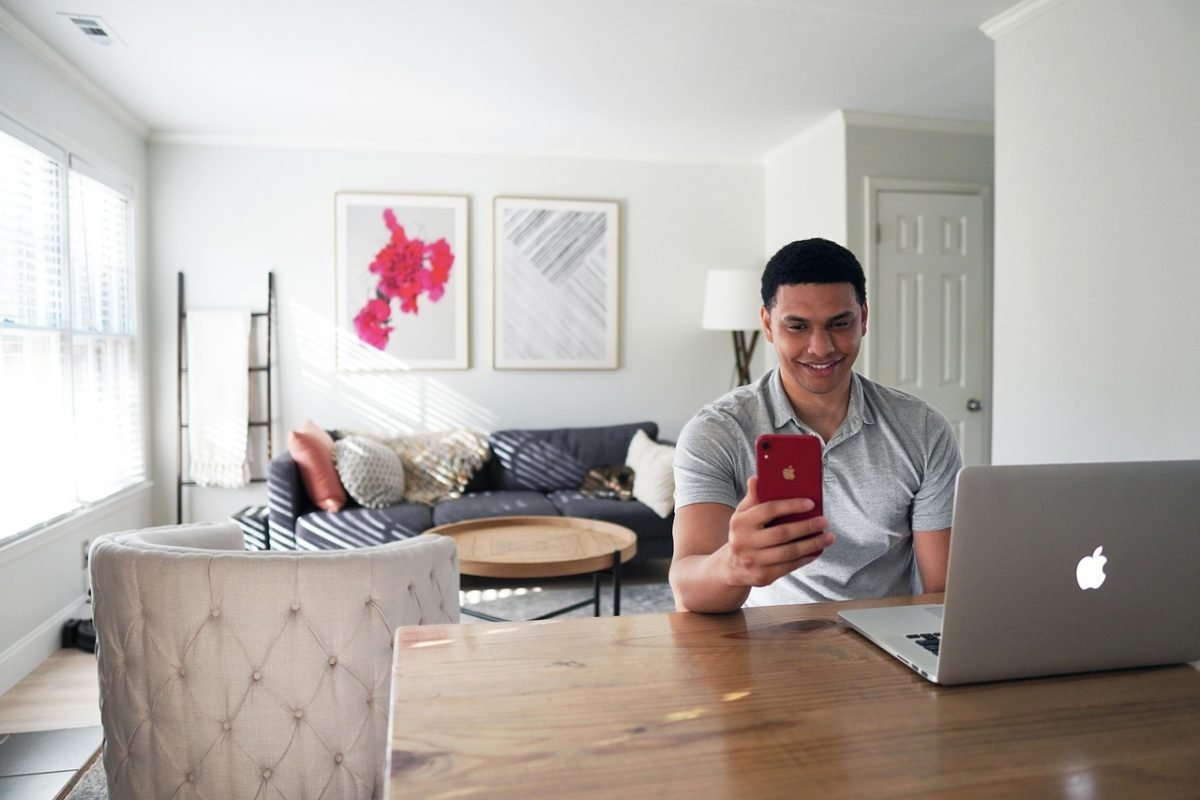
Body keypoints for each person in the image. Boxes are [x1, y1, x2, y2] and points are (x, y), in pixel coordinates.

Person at [670, 238, 962, 613]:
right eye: (797, 327)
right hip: (759, 643)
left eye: (840, 324)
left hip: (883, 646)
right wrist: (733, 566)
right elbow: (688, 590)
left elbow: (941, 592)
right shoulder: (717, 432)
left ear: (864, 318)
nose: (821, 348)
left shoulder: (922, 429)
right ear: (768, 325)